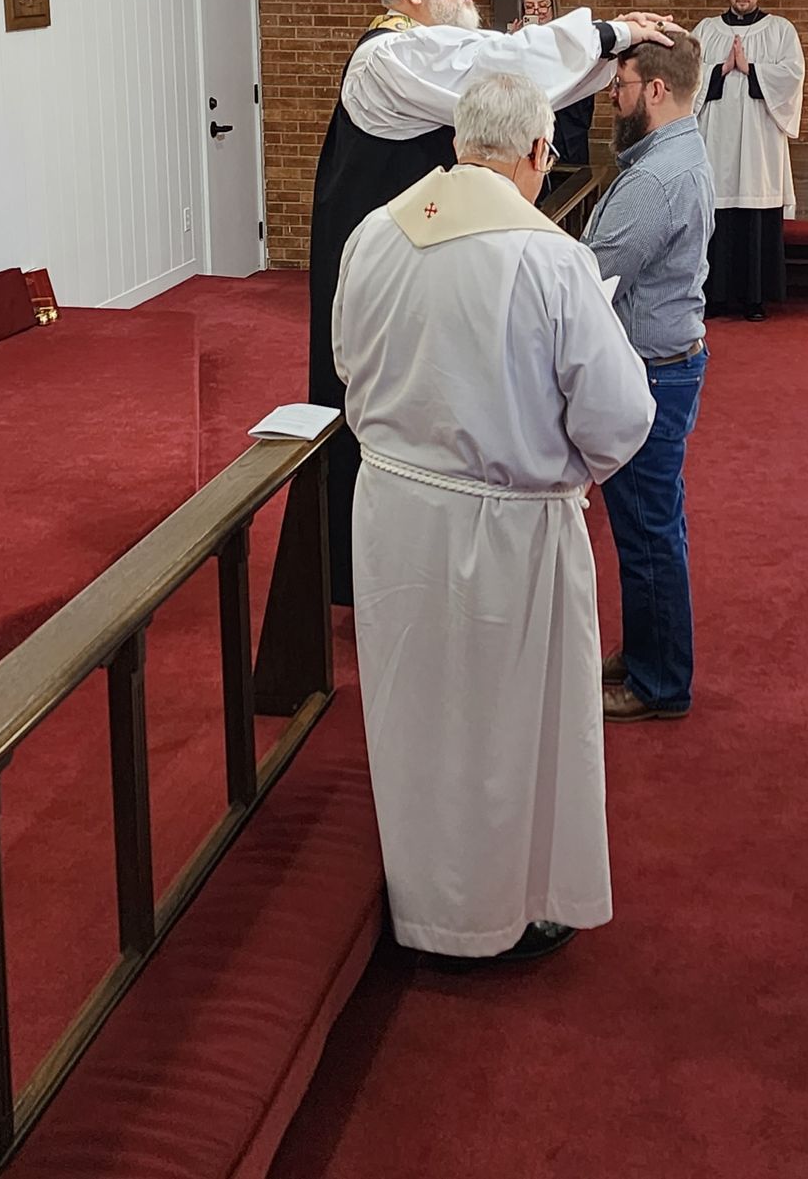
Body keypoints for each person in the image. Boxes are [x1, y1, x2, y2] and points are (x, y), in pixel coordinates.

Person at [332, 74, 656, 961]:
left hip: (392, 512)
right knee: (509, 723)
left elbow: (346, 363)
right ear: (536, 155)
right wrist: (559, 473)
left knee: (417, 709)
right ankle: (503, 912)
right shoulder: (550, 256)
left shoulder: (377, 232)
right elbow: (621, 415)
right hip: (506, 530)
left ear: (457, 143)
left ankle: (422, 900)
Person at [307, 0, 677, 605]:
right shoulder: (386, 54)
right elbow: (494, 70)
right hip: (394, 261)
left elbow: (513, 80)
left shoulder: (435, 44)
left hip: (432, 254)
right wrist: (608, 34)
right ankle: (361, 567)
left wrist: (604, 55)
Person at [581, 34, 714, 722]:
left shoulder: (658, 177)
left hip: (650, 374)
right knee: (650, 525)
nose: (614, 96)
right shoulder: (669, 152)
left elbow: (593, 276)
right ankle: (646, 650)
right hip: (665, 361)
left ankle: (660, 681)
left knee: (647, 529)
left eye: (622, 84)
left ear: (656, 91)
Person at [693, 0, 805, 321]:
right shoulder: (706, 31)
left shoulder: (780, 30)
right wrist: (720, 69)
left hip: (760, 144)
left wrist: (752, 69)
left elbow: (792, 77)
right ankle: (716, 296)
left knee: (755, 215)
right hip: (718, 142)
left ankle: (755, 298)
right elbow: (686, 76)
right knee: (719, 213)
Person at [508, 0, 595, 165]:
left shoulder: (568, 38)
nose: (537, 10)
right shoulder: (514, 42)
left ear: (552, 8)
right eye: (530, 7)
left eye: (542, 5)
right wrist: (513, 44)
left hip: (566, 122)